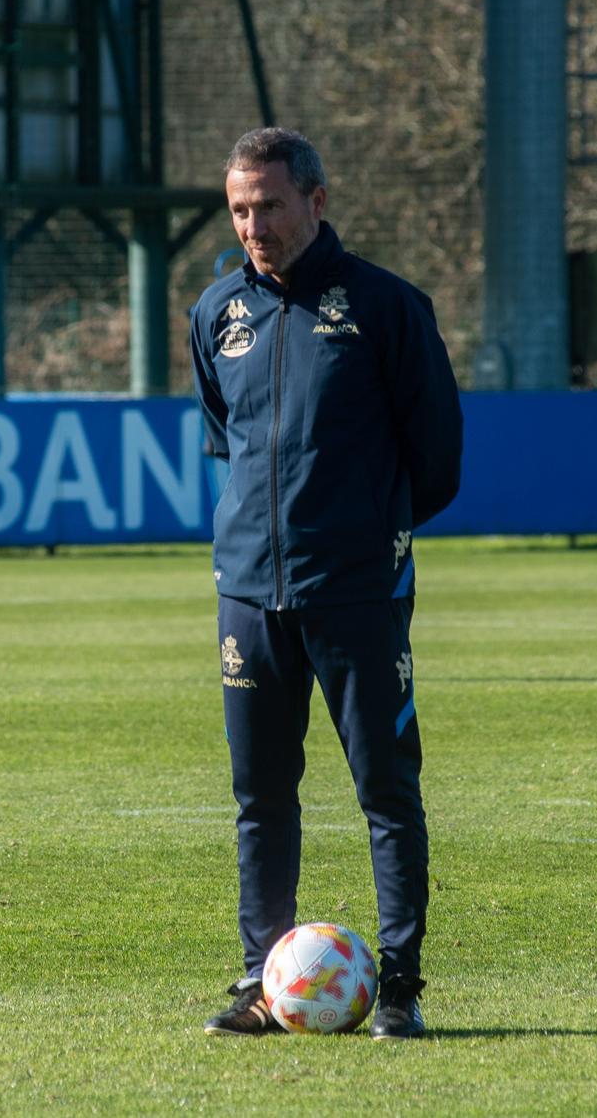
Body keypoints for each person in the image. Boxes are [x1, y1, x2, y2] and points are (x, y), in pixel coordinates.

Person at [188, 127, 463, 1038]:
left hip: (355, 594)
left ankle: (401, 985)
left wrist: (361, 535)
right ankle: (266, 982)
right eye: (238, 208)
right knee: (260, 794)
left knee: (386, 787)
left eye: (268, 205)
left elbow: (438, 462)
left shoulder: (386, 306)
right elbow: (228, 440)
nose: (253, 223)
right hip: (247, 596)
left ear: (316, 199)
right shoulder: (216, 312)